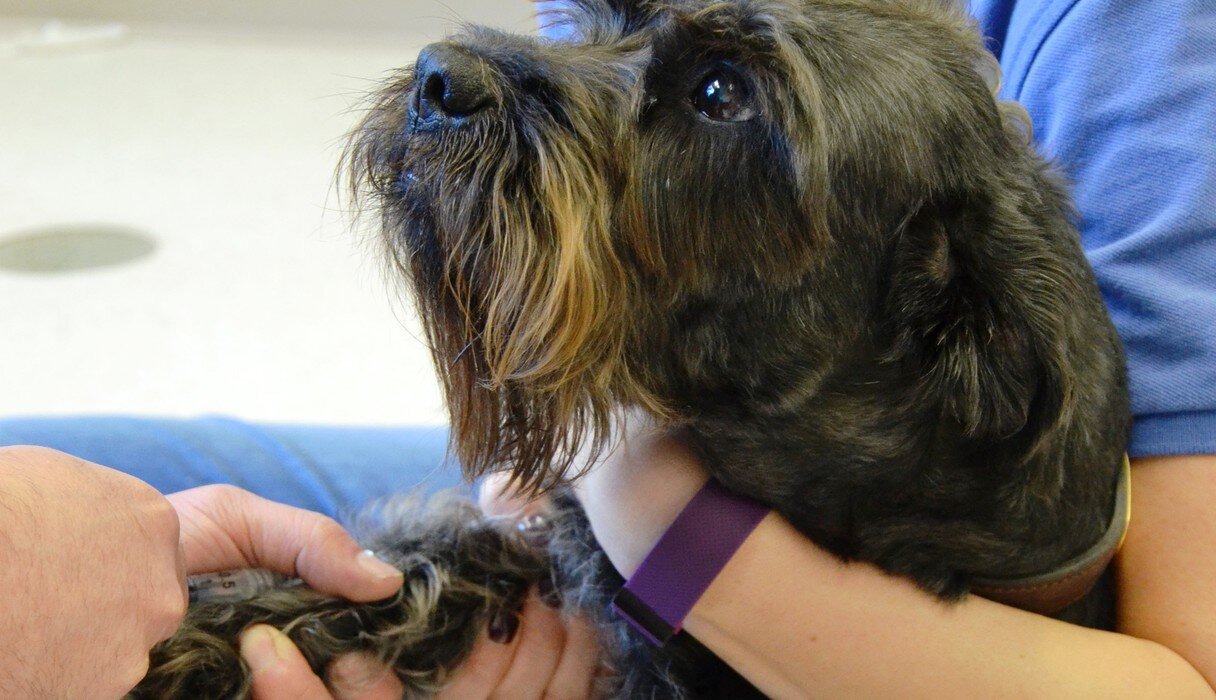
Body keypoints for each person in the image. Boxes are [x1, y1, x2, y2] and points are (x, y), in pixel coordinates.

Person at [1, 0, 1212, 697]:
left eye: (719, 97)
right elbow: (553, 367)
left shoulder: (1148, 47)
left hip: (883, 614)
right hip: (625, 486)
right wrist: (537, 528)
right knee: (55, 479)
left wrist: (656, 535)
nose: (458, 71)